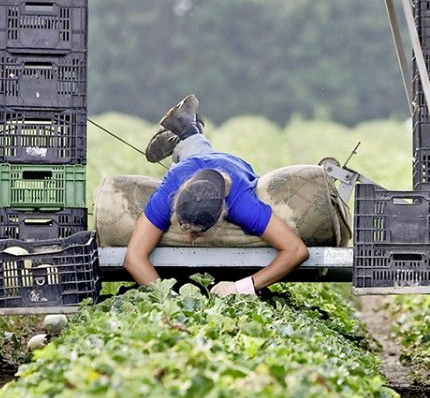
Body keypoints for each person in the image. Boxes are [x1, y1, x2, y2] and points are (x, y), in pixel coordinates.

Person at [124, 94, 309, 296]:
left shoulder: (241, 202)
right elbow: (133, 258)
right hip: (190, 164)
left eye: (198, 232)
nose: (190, 239)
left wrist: (239, 288)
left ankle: (187, 133)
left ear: (223, 213)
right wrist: (169, 298)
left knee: (202, 154)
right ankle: (188, 132)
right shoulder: (169, 190)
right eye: (184, 227)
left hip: (234, 165)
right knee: (196, 155)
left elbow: (297, 251)